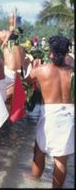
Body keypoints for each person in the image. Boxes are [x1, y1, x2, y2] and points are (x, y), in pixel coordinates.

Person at [26, 35, 74, 188]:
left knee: (39, 151)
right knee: (61, 159)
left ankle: (34, 184)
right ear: (66, 52)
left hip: (50, 114)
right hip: (69, 114)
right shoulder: (73, 73)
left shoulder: (41, 70)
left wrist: (34, 67)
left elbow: (26, 82)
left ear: (51, 52)